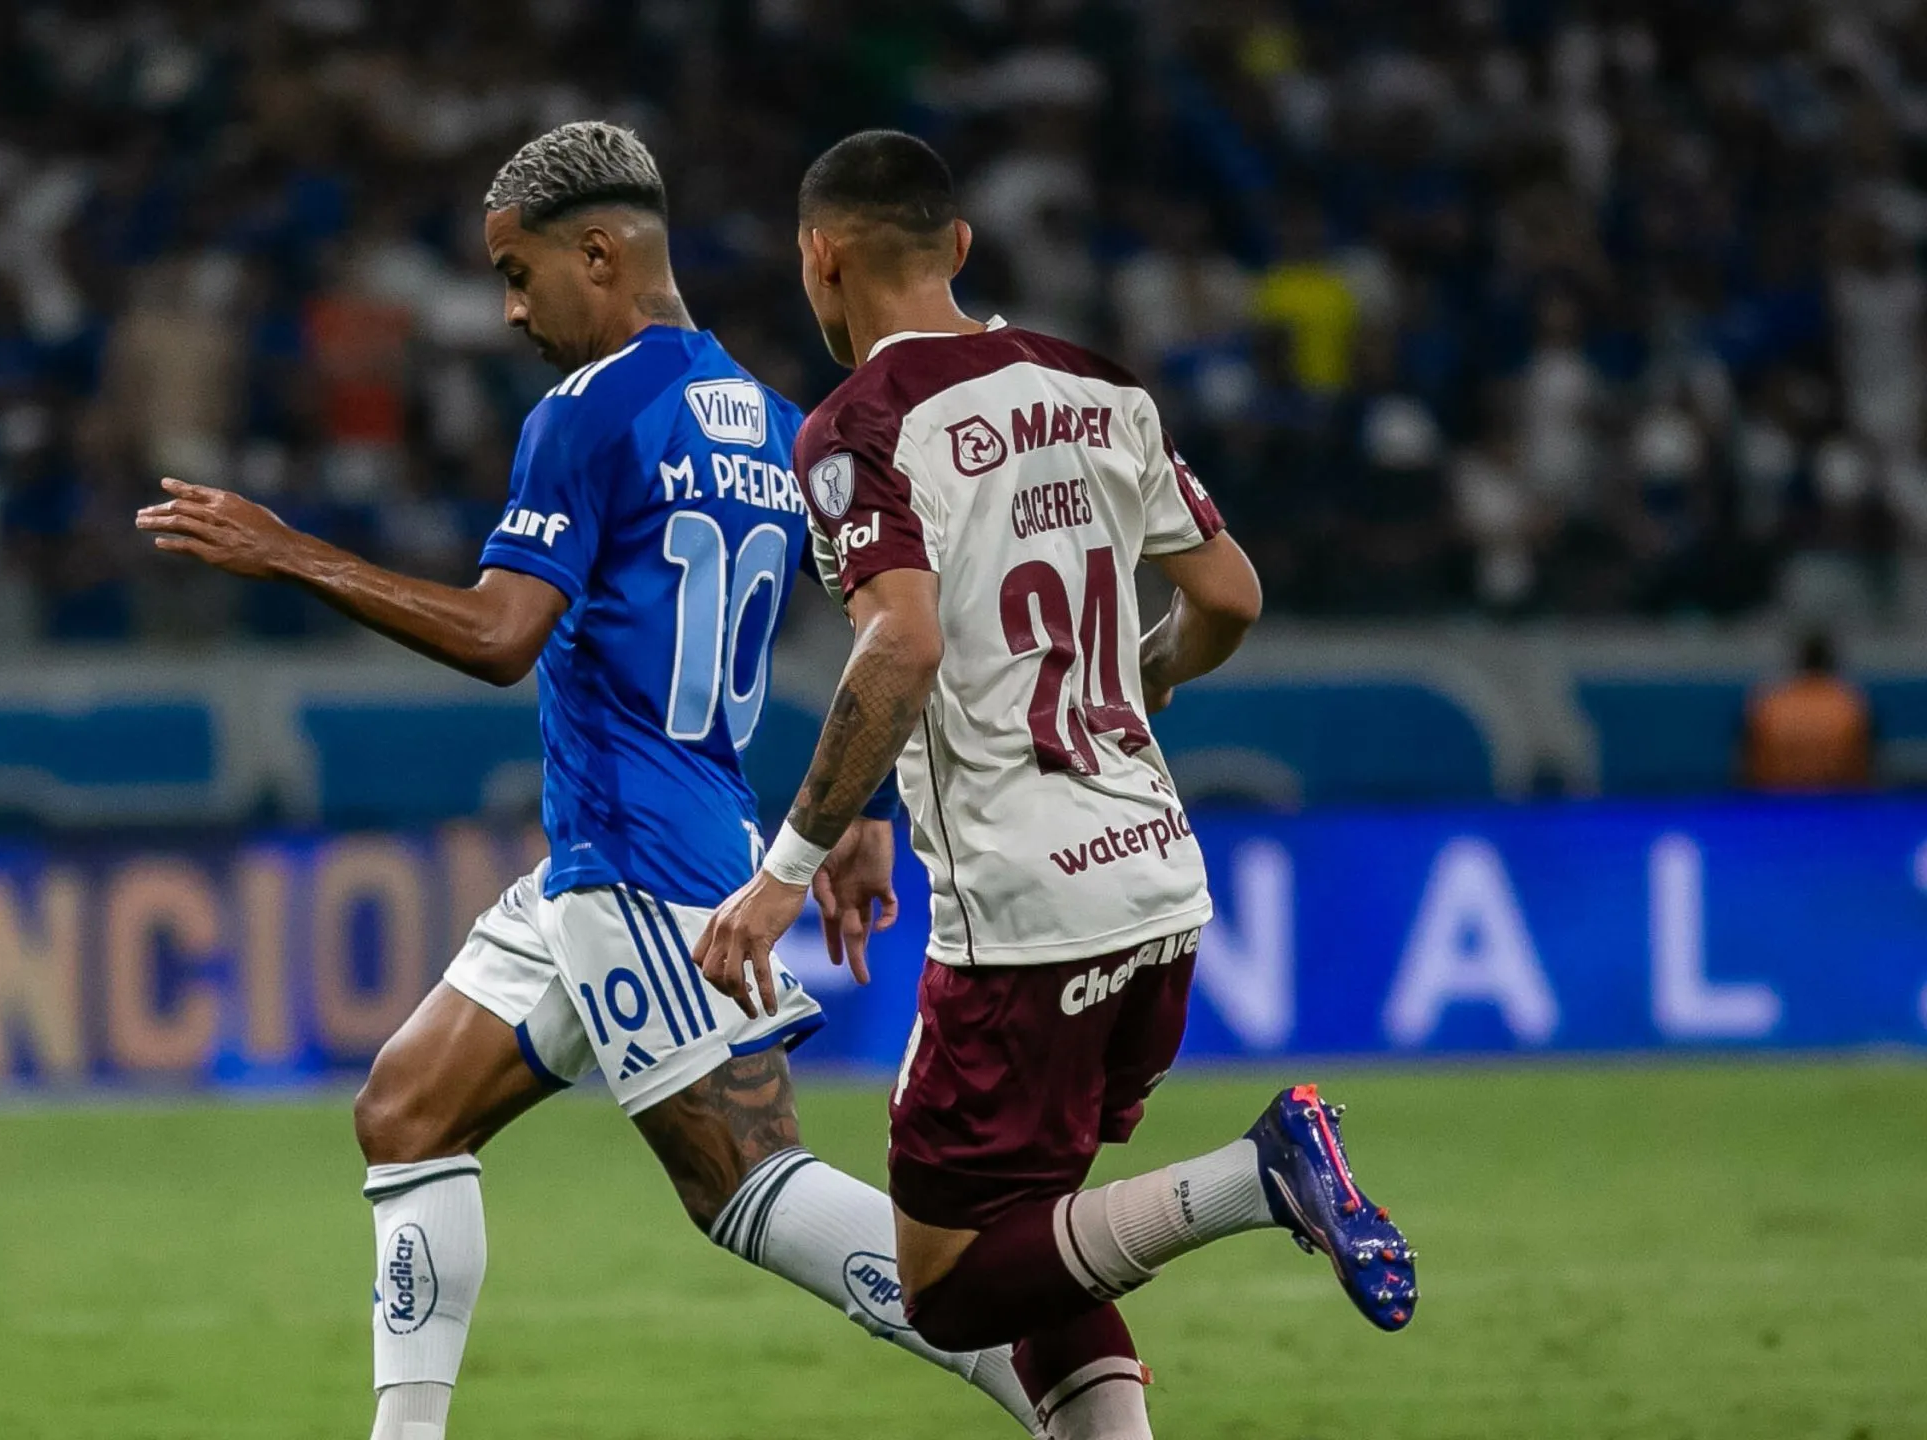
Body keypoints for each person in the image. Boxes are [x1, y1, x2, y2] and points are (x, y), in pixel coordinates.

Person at [137, 122, 1039, 1440]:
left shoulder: (587, 410)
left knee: (750, 1191)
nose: (509, 310)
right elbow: (893, 632)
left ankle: (1047, 1379)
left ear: (600, 254)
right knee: (405, 1111)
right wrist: (863, 821)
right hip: (622, 853)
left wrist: (291, 554)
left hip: (642, 867)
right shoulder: (782, 425)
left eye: (518, 274)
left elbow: (504, 638)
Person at [694, 131, 1417, 1440]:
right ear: (960, 246)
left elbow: (903, 640)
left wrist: (781, 872)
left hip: (1025, 924)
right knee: (1047, 1239)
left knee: (956, 1288)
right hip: (1156, 882)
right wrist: (1133, 685)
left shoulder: (857, 426)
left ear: (820, 258)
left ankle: (1260, 1175)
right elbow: (1229, 599)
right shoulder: (1096, 386)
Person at [1740, 633, 1874, 791]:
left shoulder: (1770, 704)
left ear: (1798, 662)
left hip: (1776, 803)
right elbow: (1863, 768)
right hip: (1835, 804)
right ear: (1831, 662)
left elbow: (1748, 768)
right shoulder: (1850, 705)